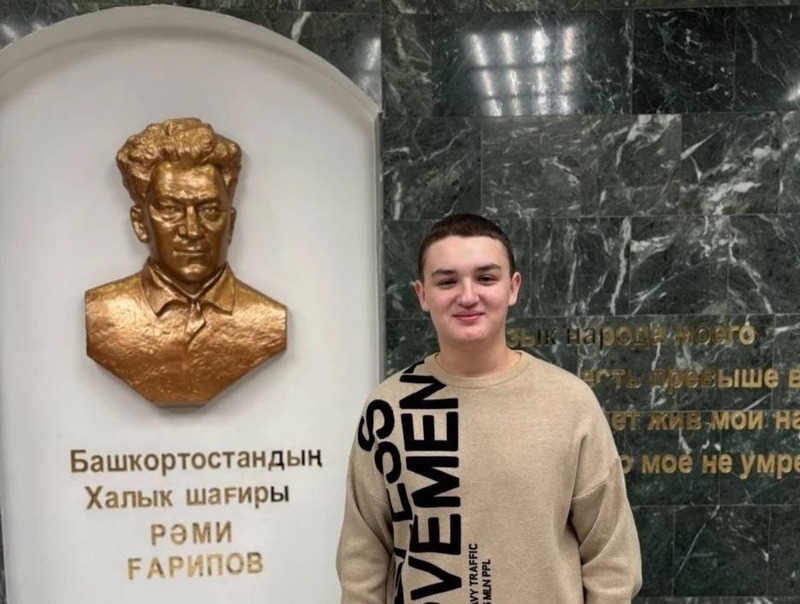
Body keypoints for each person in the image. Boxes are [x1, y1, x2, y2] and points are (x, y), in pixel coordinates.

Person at [337, 214, 641, 603]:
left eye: (485, 278)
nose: (467, 296)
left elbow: (612, 560)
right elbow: (363, 559)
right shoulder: (389, 407)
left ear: (512, 287)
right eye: (447, 281)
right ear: (422, 294)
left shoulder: (570, 402)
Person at [85, 118, 286, 406]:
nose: (192, 230)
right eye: (170, 209)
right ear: (140, 223)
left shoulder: (267, 319)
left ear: (230, 223)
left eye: (209, 209)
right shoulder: (104, 313)